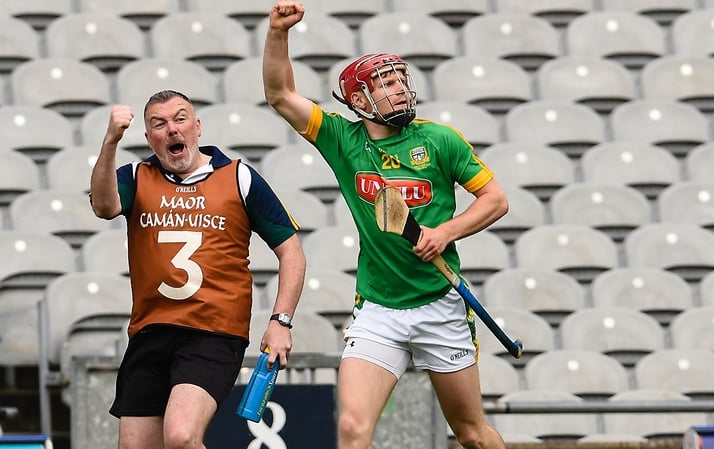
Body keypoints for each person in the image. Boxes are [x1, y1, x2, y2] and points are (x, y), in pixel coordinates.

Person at [262, 2, 510, 448]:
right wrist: (279, 31)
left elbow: (496, 200)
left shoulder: (439, 140)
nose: (400, 89)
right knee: (353, 429)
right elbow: (280, 95)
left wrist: (444, 233)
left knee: (471, 434)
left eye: (401, 81)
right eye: (387, 83)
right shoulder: (342, 139)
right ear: (359, 101)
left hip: (440, 304)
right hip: (379, 309)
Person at [89, 89, 306, 449]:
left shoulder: (239, 177)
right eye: (159, 124)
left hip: (213, 331)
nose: (172, 129)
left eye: (180, 118)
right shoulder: (135, 176)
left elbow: (292, 252)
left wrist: (280, 321)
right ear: (149, 139)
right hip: (150, 331)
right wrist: (111, 140)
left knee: (180, 435)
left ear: (197, 126)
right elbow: (104, 206)